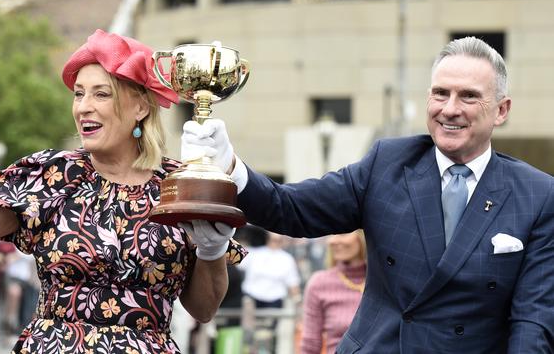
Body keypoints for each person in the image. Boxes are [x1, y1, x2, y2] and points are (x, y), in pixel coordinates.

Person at [181, 36, 554, 353]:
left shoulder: (537, 195)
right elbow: (291, 208)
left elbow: (533, 319)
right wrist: (230, 164)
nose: (450, 109)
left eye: (469, 97)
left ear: (501, 110)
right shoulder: (388, 163)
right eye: (441, 93)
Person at [0, 29, 246, 353]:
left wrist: (211, 249)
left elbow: (204, 309)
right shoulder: (52, 176)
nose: (83, 107)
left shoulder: (179, 184)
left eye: (101, 94)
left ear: (141, 108)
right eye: (78, 93)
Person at [300, 230, 366, 354]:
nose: (332, 241)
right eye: (331, 235)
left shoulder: (386, 282)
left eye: (342, 233)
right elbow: (310, 345)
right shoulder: (319, 283)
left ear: (364, 235)